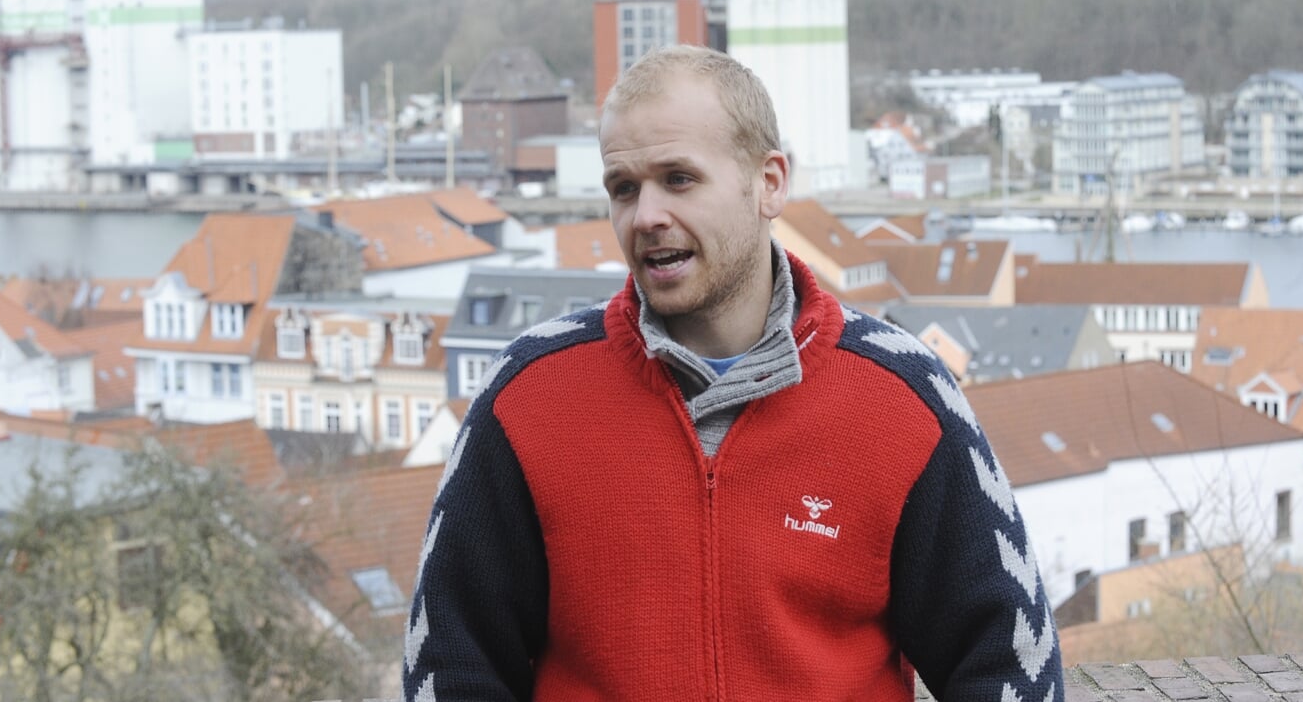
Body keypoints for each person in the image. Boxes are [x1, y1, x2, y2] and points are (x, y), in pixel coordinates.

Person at [403, 45, 1062, 701]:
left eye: (678, 178)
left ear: (768, 181)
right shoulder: (528, 395)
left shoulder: (905, 397)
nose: (646, 215)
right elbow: (451, 662)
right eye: (623, 188)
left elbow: (1008, 660)